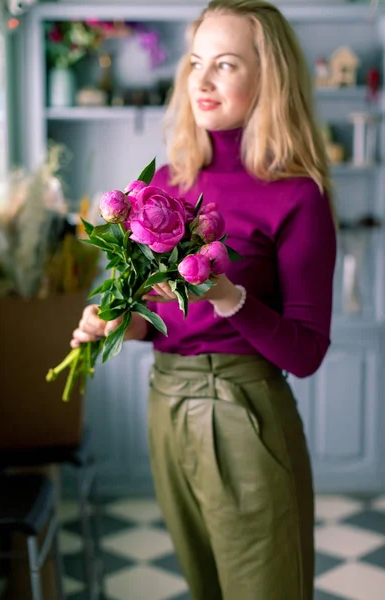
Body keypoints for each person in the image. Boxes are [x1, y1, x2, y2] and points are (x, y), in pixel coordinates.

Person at [71, 1, 337, 598]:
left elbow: (307, 354)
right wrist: (115, 321)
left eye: (226, 64)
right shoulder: (168, 182)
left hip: (243, 414)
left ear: (269, 78)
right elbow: (162, 319)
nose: (202, 80)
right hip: (166, 406)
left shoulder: (297, 194)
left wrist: (229, 298)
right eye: (195, 62)